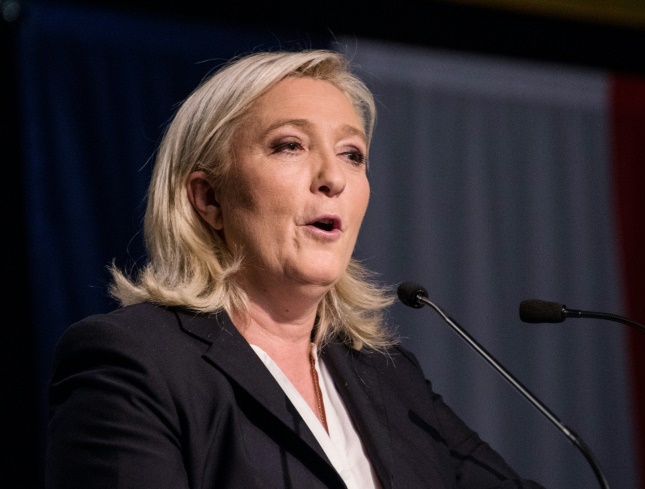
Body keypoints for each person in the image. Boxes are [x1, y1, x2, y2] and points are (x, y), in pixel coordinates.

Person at [45, 49, 545, 489]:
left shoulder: (387, 375)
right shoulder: (134, 361)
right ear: (209, 198)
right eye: (290, 145)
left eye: (352, 154)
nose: (333, 178)